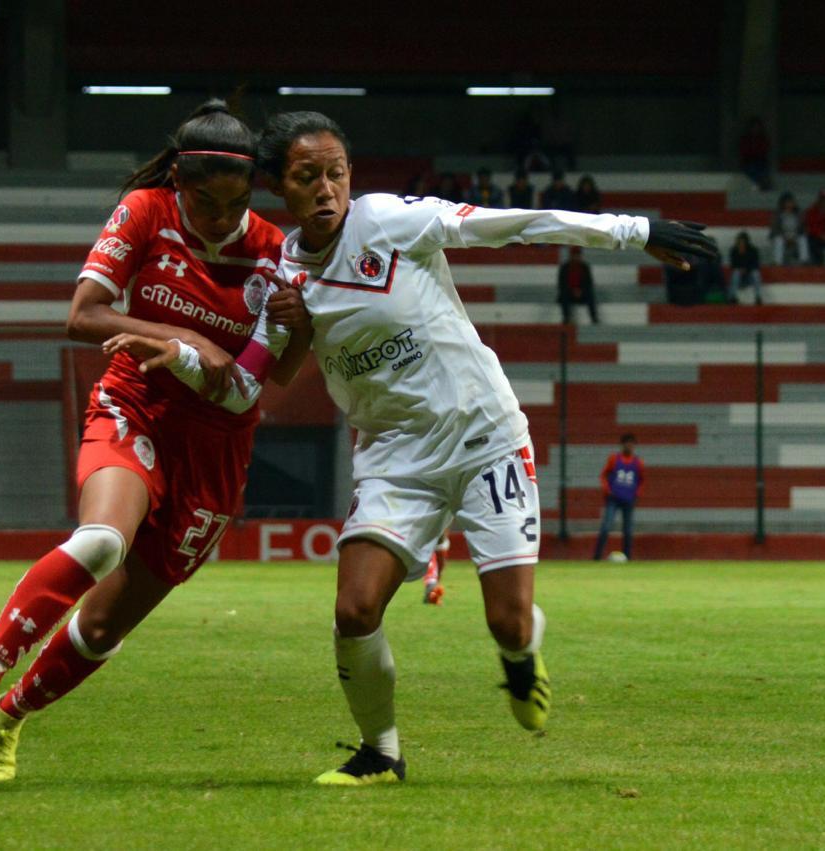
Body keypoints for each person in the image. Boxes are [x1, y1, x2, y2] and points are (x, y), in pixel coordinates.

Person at [119, 110, 718, 785]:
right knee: (354, 607)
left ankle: (522, 659)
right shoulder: (283, 277)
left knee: (510, 623)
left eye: (336, 172)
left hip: (483, 436)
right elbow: (245, 389)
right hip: (395, 458)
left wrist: (633, 233)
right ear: (278, 189)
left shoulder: (388, 220)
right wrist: (179, 354)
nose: (326, 188)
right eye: (306, 176)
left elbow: (509, 224)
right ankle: (380, 752)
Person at [0, 101, 306, 783]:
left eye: (235, 203)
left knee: (105, 628)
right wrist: (183, 337)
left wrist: (299, 323)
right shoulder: (144, 211)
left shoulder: (278, 254)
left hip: (217, 452)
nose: (221, 217)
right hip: (134, 403)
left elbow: (268, 374)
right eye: (205, 200)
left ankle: (7, 720)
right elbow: (83, 314)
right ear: (178, 183)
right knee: (102, 538)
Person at [593, 434, 645, 561]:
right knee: (606, 526)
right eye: (627, 443)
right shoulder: (614, 459)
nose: (629, 446)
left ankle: (628, 556)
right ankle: (597, 556)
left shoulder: (638, 463)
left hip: (628, 499)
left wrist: (637, 493)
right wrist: (608, 490)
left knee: (628, 529)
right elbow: (604, 475)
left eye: (631, 444)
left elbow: (641, 480)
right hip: (613, 498)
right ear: (622, 445)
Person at [557, 245, 599, 323]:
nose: (576, 257)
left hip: (582, 293)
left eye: (577, 255)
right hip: (569, 293)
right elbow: (561, 284)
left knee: (590, 295)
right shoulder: (564, 268)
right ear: (571, 256)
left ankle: (594, 318)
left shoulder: (585, 267)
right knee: (564, 295)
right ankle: (566, 318)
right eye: (574, 255)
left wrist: (581, 291)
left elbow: (589, 283)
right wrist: (572, 291)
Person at [770, 192, 808, 264]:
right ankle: (777, 262)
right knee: (778, 240)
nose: (790, 204)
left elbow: (802, 228)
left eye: (791, 202)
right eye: (788, 202)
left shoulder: (799, 214)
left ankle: (804, 261)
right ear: (783, 203)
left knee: (803, 239)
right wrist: (785, 237)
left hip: (795, 236)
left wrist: (794, 237)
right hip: (782, 236)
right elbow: (775, 229)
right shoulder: (777, 215)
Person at [728, 231, 761, 304]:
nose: (742, 243)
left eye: (743, 241)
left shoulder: (753, 251)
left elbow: (756, 264)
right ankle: (732, 297)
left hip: (749, 276)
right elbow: (733, 265)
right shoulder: (734, 251)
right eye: (740, 241)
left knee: (756, 274)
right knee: (736, 273)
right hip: (738, 276)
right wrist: (740, 269)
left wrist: (747, 269)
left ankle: (758, 297)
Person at [739, 116, 771, 190]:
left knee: (763, 171)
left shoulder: (763, 139)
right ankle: (758, 184)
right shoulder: (745, 139)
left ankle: (762, 184)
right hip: (748, 163)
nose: (755, 129)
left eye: (757, 127)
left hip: (761, 163)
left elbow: (764, 150)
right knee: (751, 170)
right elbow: (744, 152)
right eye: (754, 127)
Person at [422, 531, 450, 605]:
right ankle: (431, 587)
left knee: (440, 566)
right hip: (428, 537)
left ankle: (433, 592)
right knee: (430, 557)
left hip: (441, 540)